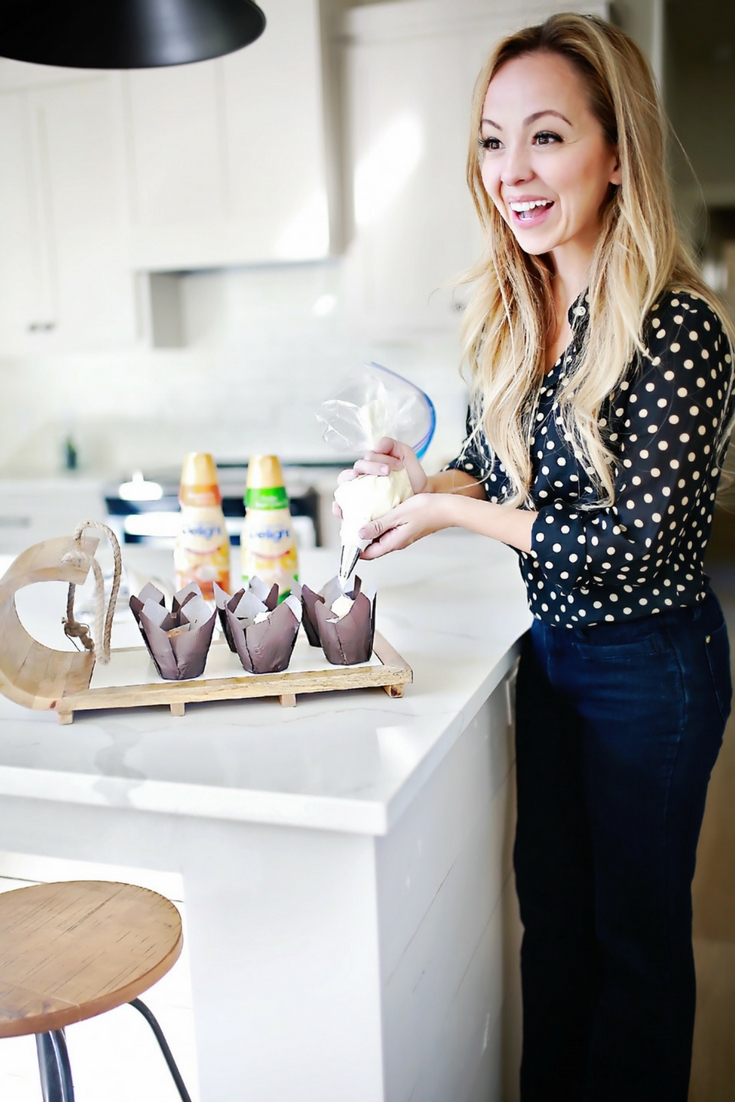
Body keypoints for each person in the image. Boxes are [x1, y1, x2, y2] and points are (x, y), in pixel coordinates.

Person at [336, 12, 735, 1102]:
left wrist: (456, 520)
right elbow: (491, 457)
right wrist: (424, 481)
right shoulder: (522, 307)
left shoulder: (676, 327)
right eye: (493, 140)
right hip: (553, 656)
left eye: (548, 137)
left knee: (637, 946)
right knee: (554, 925)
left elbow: (639, 539)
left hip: (652, 669)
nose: (514, 171)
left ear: (616, 153)